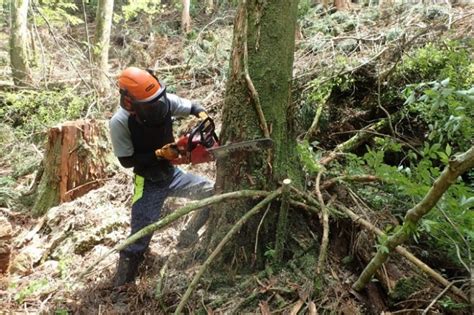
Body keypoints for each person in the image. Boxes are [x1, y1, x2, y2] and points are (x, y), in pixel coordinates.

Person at [109, 67, 213, 286]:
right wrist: (158, 154)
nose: (156, 108)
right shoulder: (120, 122)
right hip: (147, 182)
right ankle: (121, 284)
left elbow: (193, 106)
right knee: (139, 237)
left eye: (157, 101)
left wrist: (202, 115)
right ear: (129, 102)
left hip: (172, 173)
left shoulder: (164, 102)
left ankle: (188, 234)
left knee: (213, 192)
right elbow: (126, 161)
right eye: (150, 105)